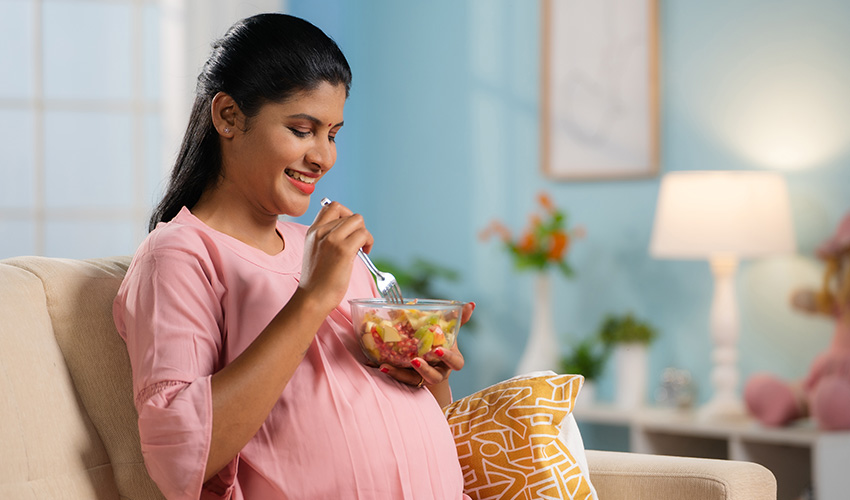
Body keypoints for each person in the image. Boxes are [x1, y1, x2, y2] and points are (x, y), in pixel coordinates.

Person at [113, 13, 473, 499]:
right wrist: (312, 297)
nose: (323, 156)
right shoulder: (179, 255)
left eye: (333, 134)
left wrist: (428, 377)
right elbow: (179, 456)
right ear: (229, 117)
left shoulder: (323, 245)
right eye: (302, 129)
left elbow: (389, 406)